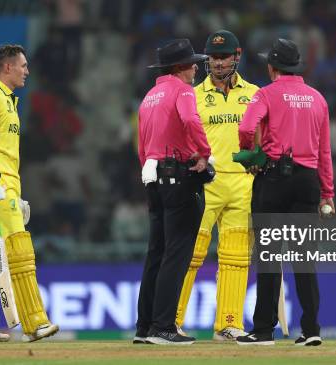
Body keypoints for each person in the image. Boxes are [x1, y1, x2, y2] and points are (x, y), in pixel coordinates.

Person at [235, 39, 335, 346]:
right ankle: (312, 329)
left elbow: (245, 126)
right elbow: (325, 152)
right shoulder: (318, 99)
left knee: (268, 256)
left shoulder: (265, 93)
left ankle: (264, 330)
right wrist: (327, 193)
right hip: (307, 180)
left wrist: (249, 155)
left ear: (272, 67)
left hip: (274, 178)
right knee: (304, 258)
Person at [0, 44, 59, 343]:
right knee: (20, 252)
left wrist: (14, 195)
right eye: (23, 66)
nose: (27, 71)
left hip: (4, 186)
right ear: (8, 68)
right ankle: (35, 324)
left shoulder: (8, 101)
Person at [175, 30, 259, 341]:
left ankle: (229, 323)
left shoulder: (254, 94)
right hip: (205, 183)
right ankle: (171, 322)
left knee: (236, 258)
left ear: (237, 56)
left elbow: (263, 139)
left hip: (242, 184)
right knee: (190, 254)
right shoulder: (193, 95)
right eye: (212, 57)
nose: (218, 63)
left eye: (223, 57)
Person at [135, 39, 212, 345]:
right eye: (192, 62)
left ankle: (145, 326)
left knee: (156, 253)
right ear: (180, 67)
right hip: (179, 176)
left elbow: (142, 144)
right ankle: (163, 326)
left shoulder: (149, 96)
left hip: (153, 177)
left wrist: (148, 170)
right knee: (177, 253)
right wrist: (204, 152)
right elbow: (191, 120)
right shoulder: (183, 91)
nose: (196, 67)